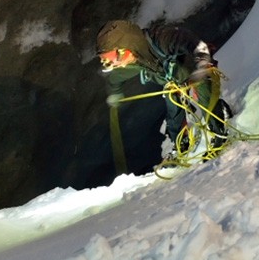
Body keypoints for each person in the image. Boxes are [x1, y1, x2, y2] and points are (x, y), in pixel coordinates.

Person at [96, 20, 234, 157]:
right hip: (173, 81)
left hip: (194, 71)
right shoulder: (132, 61)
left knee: (206, 99)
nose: (112, 64)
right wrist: (115, 93)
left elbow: (195, 44)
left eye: (111, 58)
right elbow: (115, 79)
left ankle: (220, 133)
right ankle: (181, 143)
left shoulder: (162, 38)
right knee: (173, 112)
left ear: (126, 47)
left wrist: (202, 64)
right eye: (105, 60)